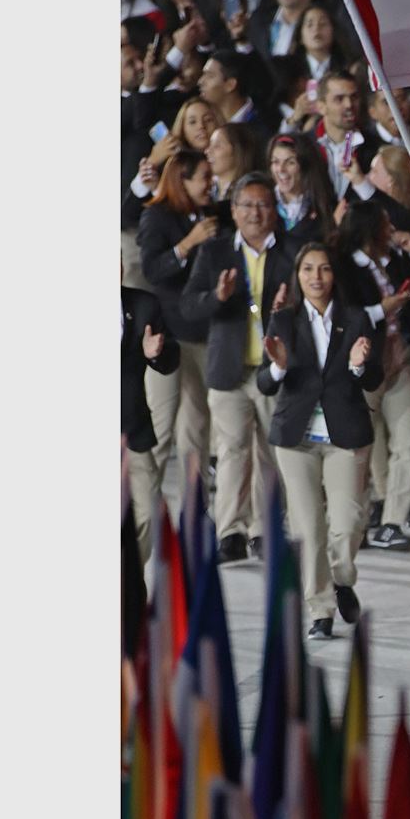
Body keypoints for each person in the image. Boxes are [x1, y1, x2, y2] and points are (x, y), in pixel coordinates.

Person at [257, 241, 381, 640]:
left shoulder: (357, 318)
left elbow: (374, 378)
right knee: (309, 528)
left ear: (334, 275)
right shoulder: (283, 320)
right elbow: (264, 381)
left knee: (347, 523)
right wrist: (277, 369)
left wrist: (360, 367)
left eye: (324, 269)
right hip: (296, 440)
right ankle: (321, 609)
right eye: (308, 269)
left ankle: (342, 578)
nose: (316, 277)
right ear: (298, 276)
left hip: (345, 434)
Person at [181, 174, 294, 562]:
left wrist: (289, 307)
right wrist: (218, 297)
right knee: (232, 449)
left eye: (263, 205)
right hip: (228, 369)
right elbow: (189, 306)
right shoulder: (214, 253)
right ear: (233, 210)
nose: (255, 213)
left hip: (272, 370)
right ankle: (230, 530)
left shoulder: (291, 252)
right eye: (246, 205)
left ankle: (264, 529)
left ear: (274, 211)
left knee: (270, 452)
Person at [334, 199, 410, 551]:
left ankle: (393, 522)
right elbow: (343, 314)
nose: (390, 229)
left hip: (398, 359)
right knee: (361, 446)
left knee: (409, 440)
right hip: (364, 363)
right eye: (384, 223)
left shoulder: (394, 260)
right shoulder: (342, 265)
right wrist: (381, 310)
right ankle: (354, 523)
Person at [134, 149, 220, 520]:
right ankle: (137, 504)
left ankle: (194, 511)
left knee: (197, 425)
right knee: (160, 422)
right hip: (168, 335)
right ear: (181, 180)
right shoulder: (157, 215)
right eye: (203, 176)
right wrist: (188, 243)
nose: (210, 183)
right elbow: (152, 270)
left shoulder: (210, 214)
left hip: (201, 332)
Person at [123, 267, 181, 569]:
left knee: (145, 512)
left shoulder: (143, 305)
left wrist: (154, 354)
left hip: (132, 432)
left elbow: (170, 360)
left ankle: (127, 578)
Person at [266, 131, 335, 243]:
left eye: (290, 162)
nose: (281, 169)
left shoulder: (323, 206)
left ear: (305, 166)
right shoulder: (264, 203)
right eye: (276, 162)